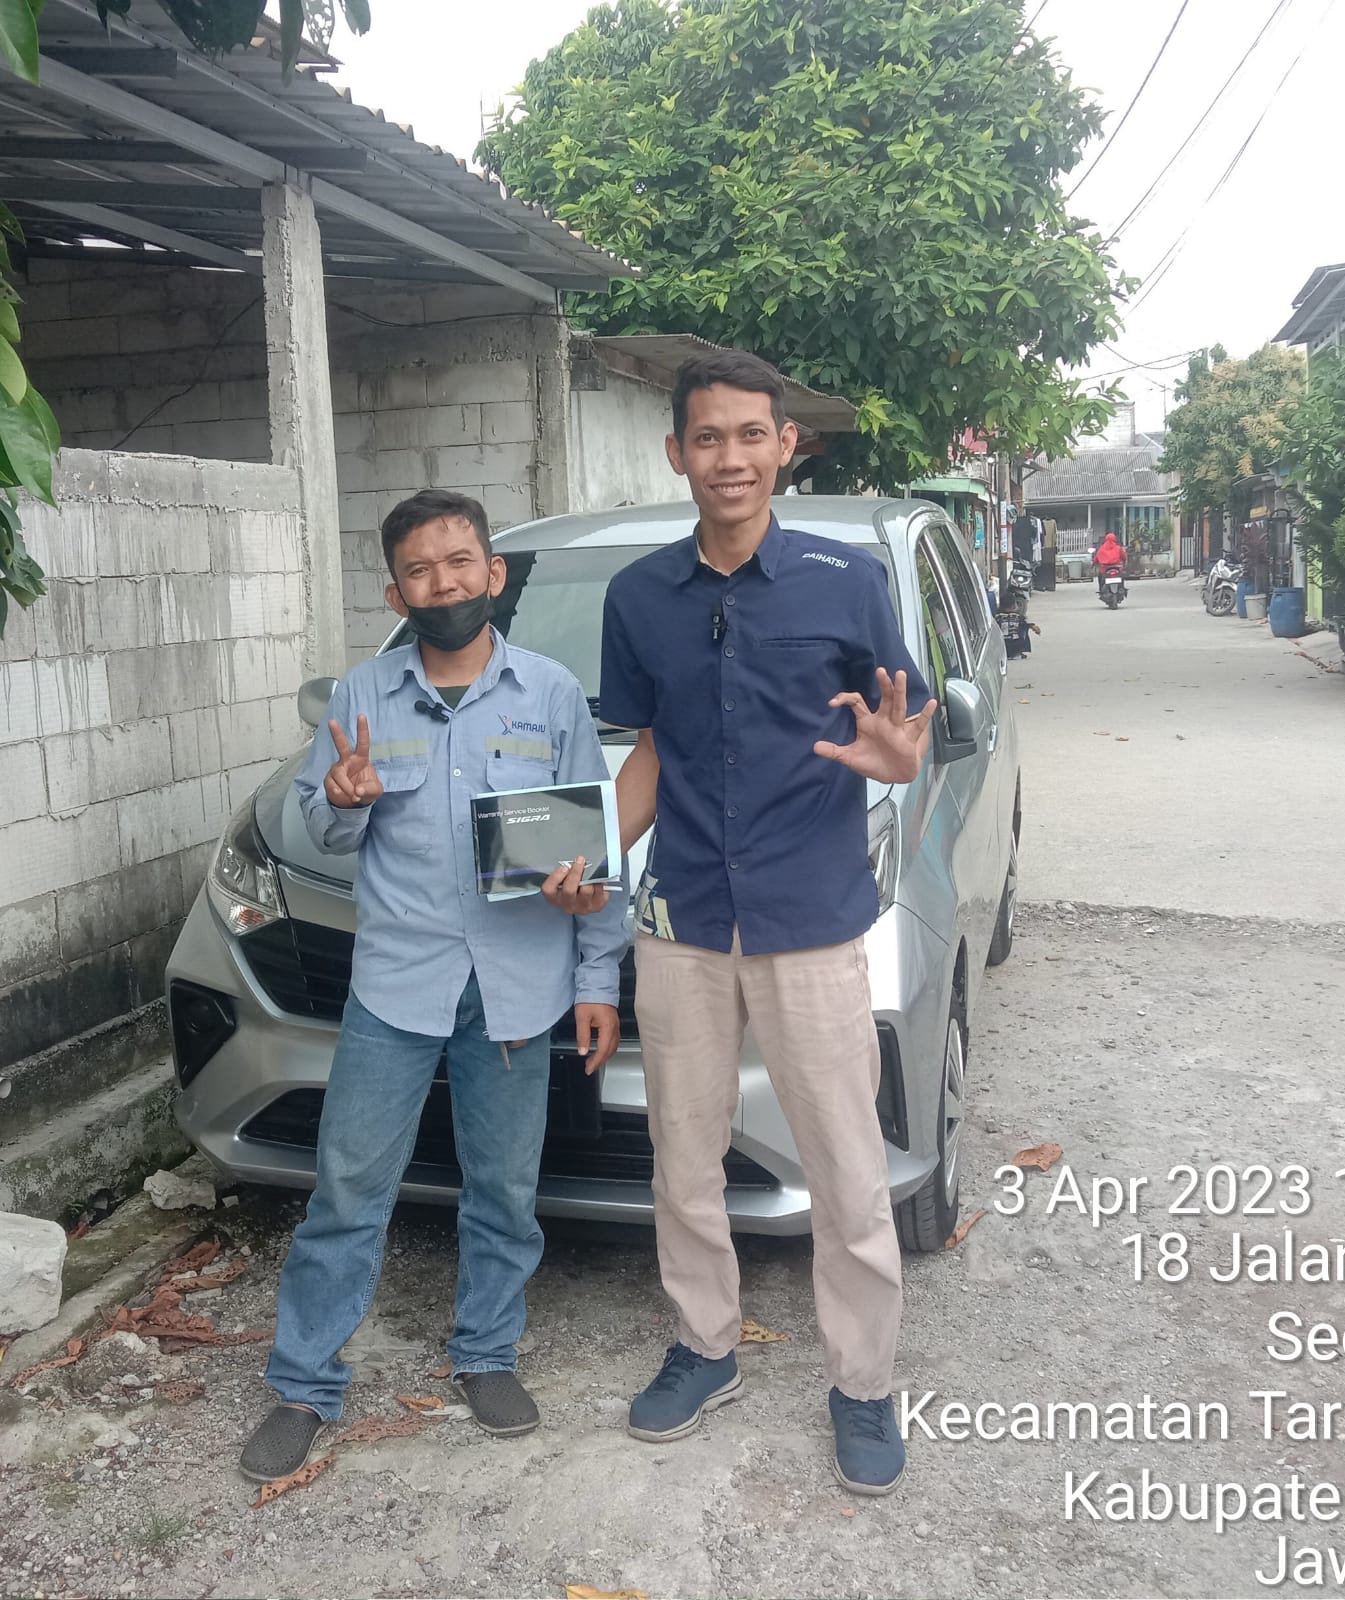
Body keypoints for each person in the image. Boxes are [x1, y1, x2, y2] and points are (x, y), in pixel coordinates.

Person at [561, 350, 936, 1497]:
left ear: (784, 446)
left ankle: (862, 1384)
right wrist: (591, 852)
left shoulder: (844, 581)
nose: (729, 457)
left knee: (845, 1165)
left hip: (809, 917)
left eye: (749, 435)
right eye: (707, 437)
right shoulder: (638, 597)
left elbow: (903, 724)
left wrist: (896, 758)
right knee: (684, 1155)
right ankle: (704, 1344)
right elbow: (649, 750)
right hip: (681, 918)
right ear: (677, 452)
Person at [239, 490, 627, 1483]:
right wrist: (340, 801)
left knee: (504, 1187)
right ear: (396, 592)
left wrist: (597, 978)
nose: (443, 584)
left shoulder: (550, 695)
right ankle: (303, 1384)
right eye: (420, 570)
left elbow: (595, 854)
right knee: (348, 1189)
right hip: (397, 987)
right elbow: (320, 824)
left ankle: (487, 1353)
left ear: (493, 574)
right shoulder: (362, 696)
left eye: (460, 563)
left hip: (517, 986)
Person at [1092, 530, 1126, 597]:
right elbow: (1123, 557)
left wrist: (1094, 563)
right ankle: (1121, 588)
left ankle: (1101, 590)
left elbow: (1096, 558)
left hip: (1105, 568)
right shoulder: (1118, 548)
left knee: (1100, 577)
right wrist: (1124, 562)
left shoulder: (1102, 548)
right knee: (1121, 577)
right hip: (1117, 567)